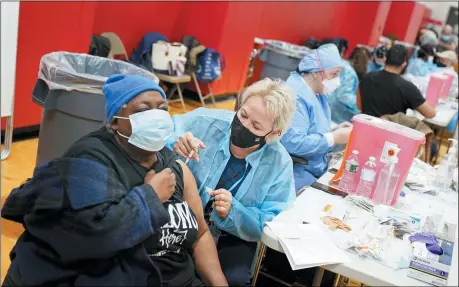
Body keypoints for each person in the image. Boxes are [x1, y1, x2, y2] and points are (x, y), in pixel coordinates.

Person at [1, 74, 228, 287]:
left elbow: (200, 234)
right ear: (114, 122)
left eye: (162, 108)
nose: (157, 116)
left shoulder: (173, 164)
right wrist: (151, 196)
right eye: (143, 109)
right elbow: (94, 240)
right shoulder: (89, 161)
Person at [167, 78, 296, 286]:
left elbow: (272, 220)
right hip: (181, 217)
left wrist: (234, 212)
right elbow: (163, 131)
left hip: (233, 235)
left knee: (234, 280)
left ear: (274, 134)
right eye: (243, 114)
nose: (243, 126)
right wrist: (175, 142)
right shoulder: (204, 122)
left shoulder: (279, 164)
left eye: (256, 125)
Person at [281, 44, 352, 190]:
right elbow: (293, 142)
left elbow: (312, 125)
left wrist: (334, 129)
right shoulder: (296, 95)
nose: (337, 80)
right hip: (295, 173)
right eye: (334, 74)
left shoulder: (318, 92)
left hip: (313, 168)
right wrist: (334, 138)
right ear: (316, 72)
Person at [357, 44, 436, 119]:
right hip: (389, 131)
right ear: (404, 64)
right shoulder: (407, 88)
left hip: (363, 128)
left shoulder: (367, 77)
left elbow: (359, 106)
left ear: (385, 60)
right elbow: (430, 114)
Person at [329, 47, 369, 124]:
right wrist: (360, 105)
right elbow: (344, 96)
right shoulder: (350, 73)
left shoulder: (341, 64)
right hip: (335, 113)